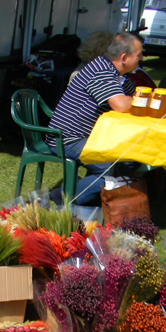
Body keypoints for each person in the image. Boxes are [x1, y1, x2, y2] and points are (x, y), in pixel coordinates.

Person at [47, 33, 143, 205]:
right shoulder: (101, 71)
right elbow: (121, 105)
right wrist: (149, 101)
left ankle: (85, 199)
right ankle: (62, 198)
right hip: (67, 138)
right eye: (139, 55)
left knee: (131, 161)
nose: (142, 58)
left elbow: (134, 96)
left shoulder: (117, 74)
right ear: (124, 58)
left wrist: (156, 96)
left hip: (88, 136)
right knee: (115, 172)